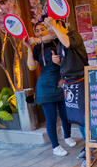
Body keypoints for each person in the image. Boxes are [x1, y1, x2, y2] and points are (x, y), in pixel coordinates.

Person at [44, 17, 96, 167]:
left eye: (51, 27)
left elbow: (68, 42)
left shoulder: (74, 35)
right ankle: (88, 145)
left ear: (59, 24)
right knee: (77, 118)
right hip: (69, 84)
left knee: (84, 117)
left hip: (80, 81)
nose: (50, 30)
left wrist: (54, 25)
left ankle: (90, 151)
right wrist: (58, 62)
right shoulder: (60, 41)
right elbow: (67, 61)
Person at [23, 19, 77, 156]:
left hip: (60, 82)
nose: (40, 32)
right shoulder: (36, 47)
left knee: (66, 115)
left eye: (42, 29)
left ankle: (67, 136)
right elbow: (31, 66)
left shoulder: (57, 40)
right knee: (51, 118)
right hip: (45, 86)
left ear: (48, 29)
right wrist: (29, 47)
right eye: (37, 30)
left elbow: (65, 60)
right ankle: (55, 146)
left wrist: (36, 40)